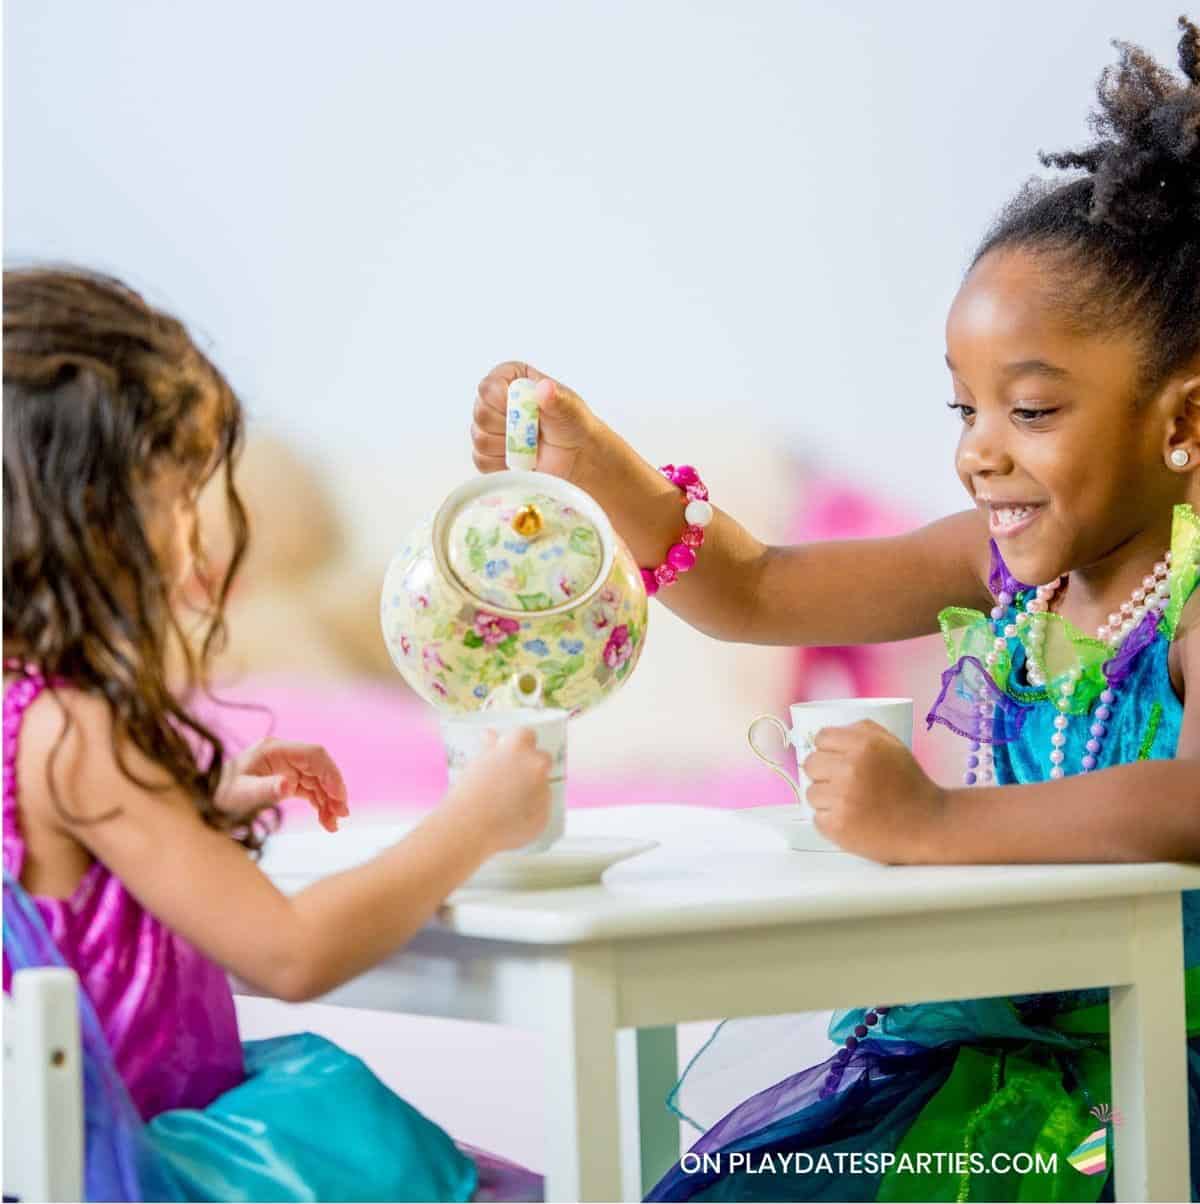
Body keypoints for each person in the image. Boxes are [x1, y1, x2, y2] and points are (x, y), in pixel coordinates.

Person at [470, 16, 1200, 1201]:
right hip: (994, 1075)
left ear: (1181, 422)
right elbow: (760, 589)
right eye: (963, 410)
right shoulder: (1002, 567)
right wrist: (599, 464)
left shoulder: (1192, 592)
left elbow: (1195, 796)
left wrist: (933, 826)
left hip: (1159, 1090)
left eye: (1031, 411)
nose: (979, 456)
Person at [3, 267, 549, 1202]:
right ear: (91, 510)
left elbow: (54, 880)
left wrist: (193, 809)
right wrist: (472, 824)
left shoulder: (26, 717)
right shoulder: (77, 733)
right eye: (177, 492)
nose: (195, 529)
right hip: (153, 1169)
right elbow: (291, 954)